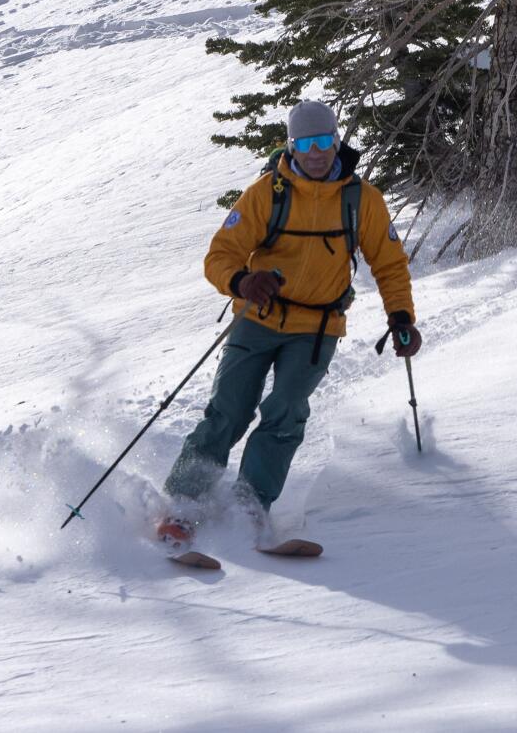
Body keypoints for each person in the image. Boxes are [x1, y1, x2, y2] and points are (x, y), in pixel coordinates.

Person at [157, 99, 421, 546]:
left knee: (285, 412)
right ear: (291, 146)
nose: (317, 152)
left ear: (337, 141)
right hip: (258, 318)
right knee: (229, 410)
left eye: (325, 141)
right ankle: (182, 505)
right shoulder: (265, 194)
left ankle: (250, 504)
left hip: (317, 328)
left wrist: (401, 316)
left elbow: (390, 264)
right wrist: (242, 282)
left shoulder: (362, 200)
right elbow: (220, 255)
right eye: (306, 143)